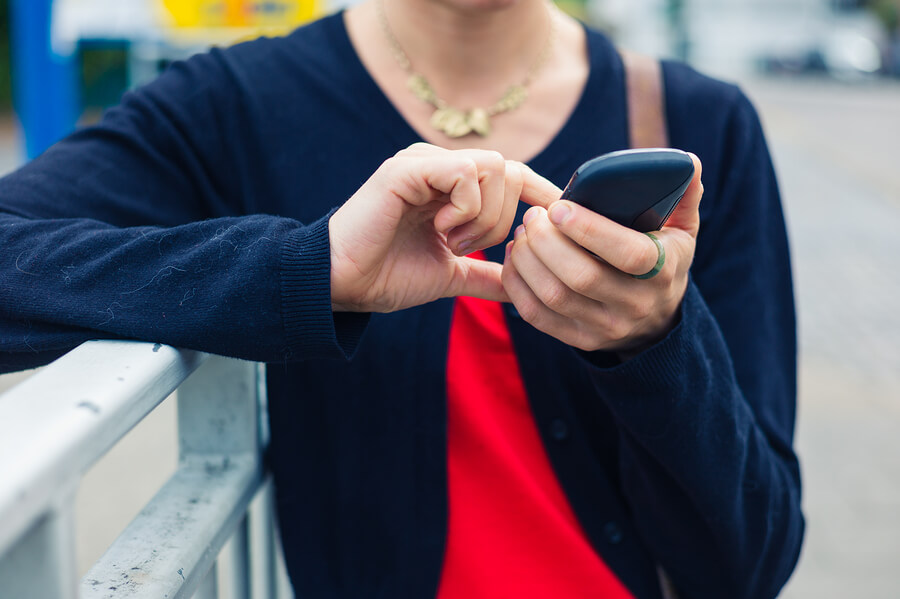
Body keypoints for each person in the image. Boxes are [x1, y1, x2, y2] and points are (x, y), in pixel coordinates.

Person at [0, 0, 803, 597]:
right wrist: (311, 272)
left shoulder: (701, 122)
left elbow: (753, 559)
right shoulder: (237, 105)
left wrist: (659, 339)